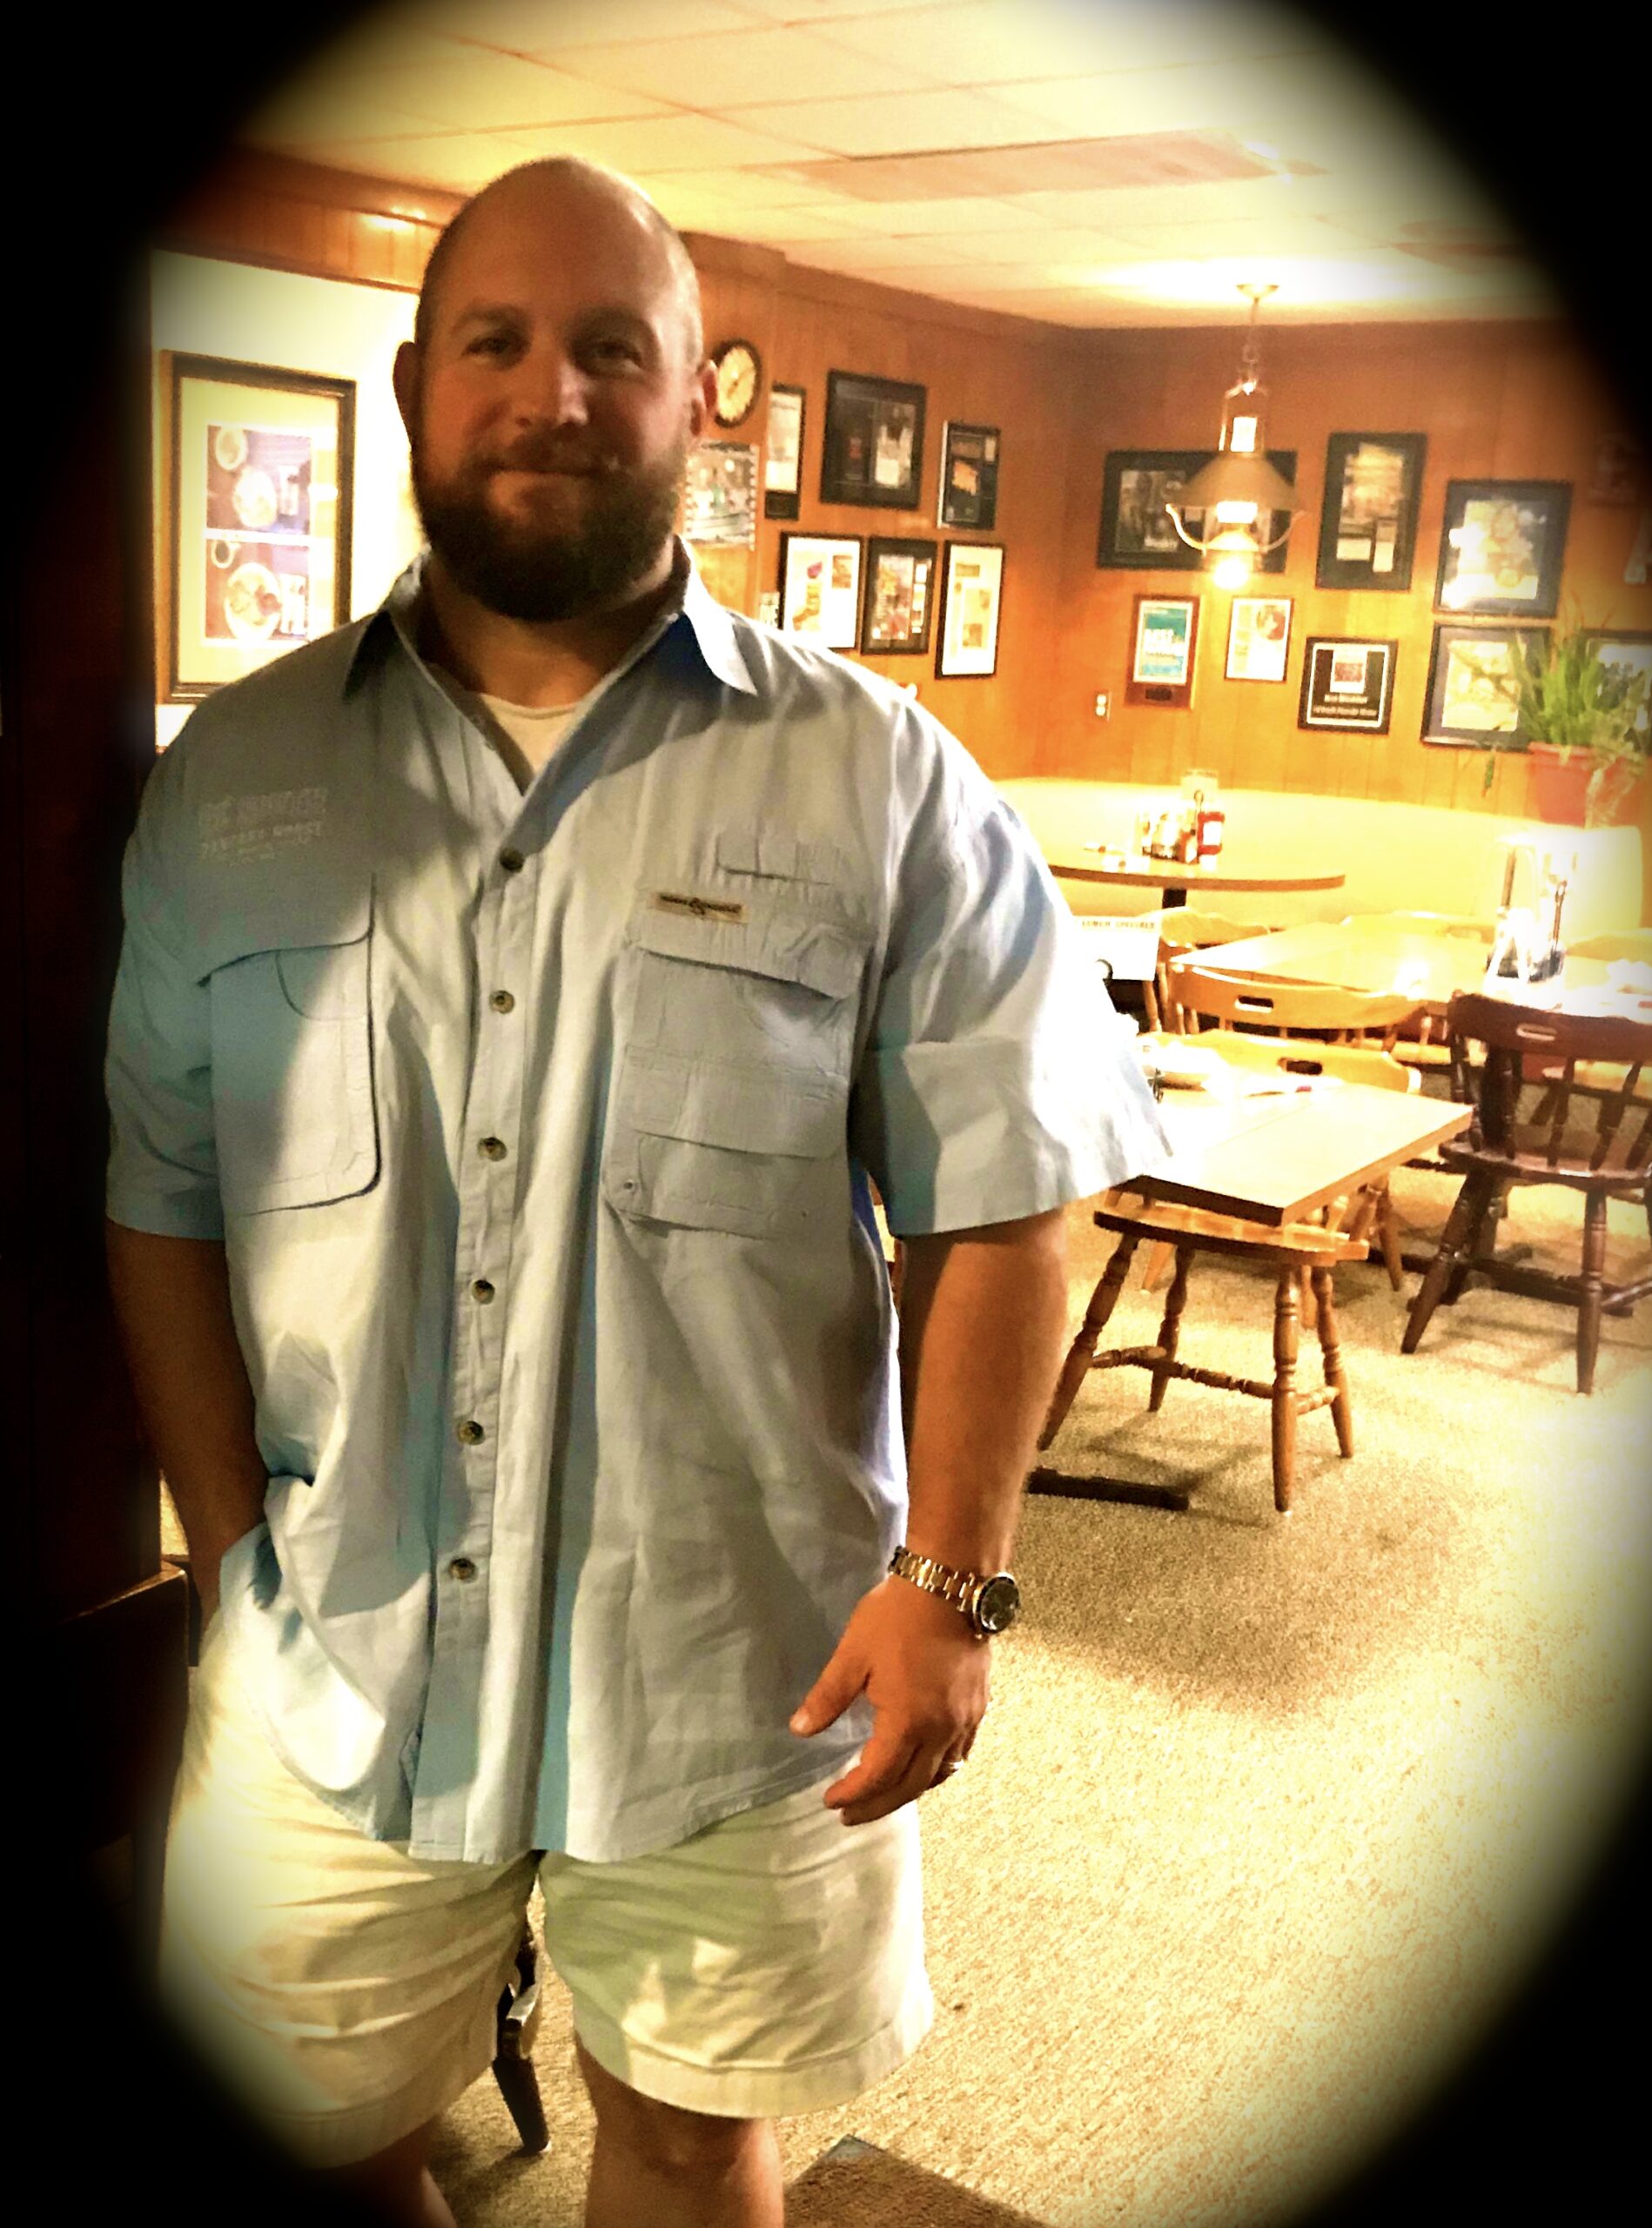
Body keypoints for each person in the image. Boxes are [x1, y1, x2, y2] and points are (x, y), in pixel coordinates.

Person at [104, 157, 1167, 2228]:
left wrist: (952, 1582)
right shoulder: (229, 786)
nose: (553, 393)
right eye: (497, 342)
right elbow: (160, 1201)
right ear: (418, 384)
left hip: (743, 1670)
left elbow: (1007, 1203)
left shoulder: (875, 775)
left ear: (703, 406)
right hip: (334, 1660)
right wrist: (233, 1549)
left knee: (688, 2138)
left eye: (615, 349)